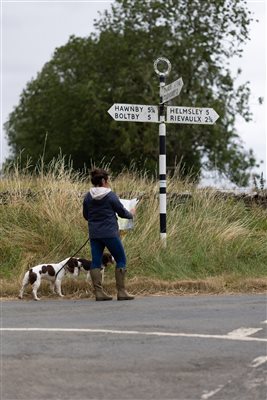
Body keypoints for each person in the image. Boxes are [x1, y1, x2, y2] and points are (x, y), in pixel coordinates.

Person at [83, 168, 135, 301]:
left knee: (96, 261)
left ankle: (99, 293)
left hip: (94, 234)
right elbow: (122, 212)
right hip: (110, 233)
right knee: (121, 259)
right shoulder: (110, 195)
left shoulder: (88, 196)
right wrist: (131, 214)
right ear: (104, 180)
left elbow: (86, 215)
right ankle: (122, 292)